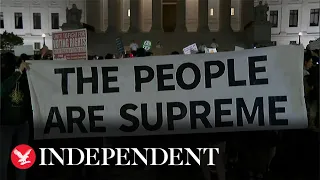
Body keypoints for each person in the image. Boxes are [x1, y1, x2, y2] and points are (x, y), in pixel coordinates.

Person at [1, 53, 32, 180]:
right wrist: (18, 72)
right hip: (4, 125)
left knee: (22, 160)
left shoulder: (24, 77)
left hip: (22, 124)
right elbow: (3, 89)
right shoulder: (7, 77)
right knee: (3, 160)